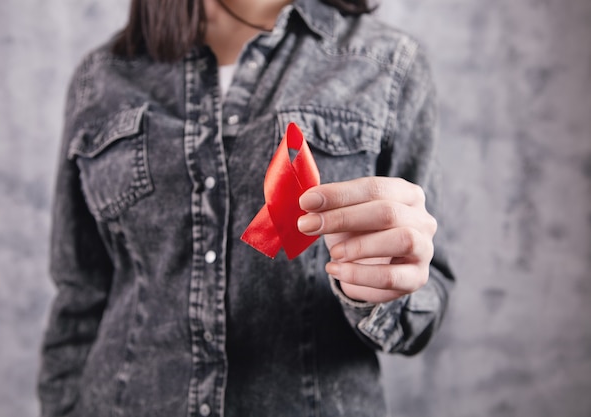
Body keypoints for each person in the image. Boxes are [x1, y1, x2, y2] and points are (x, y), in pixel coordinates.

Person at [37, 0, 454, 416]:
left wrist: (383, 287)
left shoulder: (388, 64)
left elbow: (421, 308)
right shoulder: (101, 77)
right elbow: (80, 296)